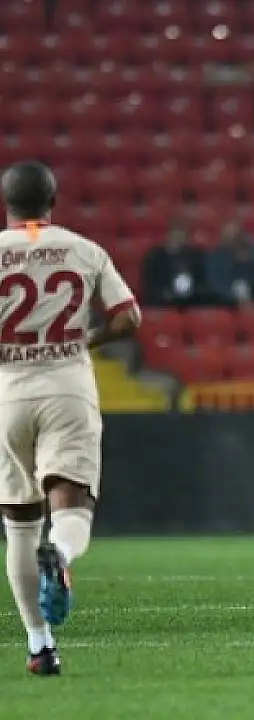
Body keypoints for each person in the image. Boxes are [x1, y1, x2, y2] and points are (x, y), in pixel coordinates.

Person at [0, 161, 143, 675]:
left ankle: (40, 646)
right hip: (67, 388)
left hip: (7, 395)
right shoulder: (84, 249)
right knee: (72, 508)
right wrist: (85, 339)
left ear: (7, 204)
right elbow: (128, 318)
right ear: (53, 200)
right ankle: (59, 554)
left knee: (19, 527)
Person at [141, 219, 207, 308]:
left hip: (191, 302)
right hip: (162, 303)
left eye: (181, 233)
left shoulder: (194, 256)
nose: (177, 236)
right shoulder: (155, 257)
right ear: (168, 234)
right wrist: (165, 294)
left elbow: (201, 283)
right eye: (175, 232)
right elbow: (150, 286)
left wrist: (192, 293)